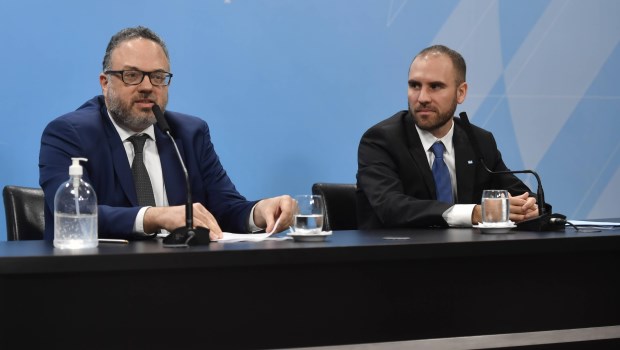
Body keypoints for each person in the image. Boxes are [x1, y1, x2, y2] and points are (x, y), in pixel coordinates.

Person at [39, 26, 294, 241]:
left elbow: (225, 209)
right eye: (132, 75)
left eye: (158, 77)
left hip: (180, 277)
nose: (148, 87)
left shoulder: (189, 134)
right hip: (100, 280)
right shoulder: (69, 134)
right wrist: (155, 216)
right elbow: (74, 213)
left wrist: (260, 212)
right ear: (105, 83)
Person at [356, 44, 539, 229]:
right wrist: (473, 212)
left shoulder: (478, 141)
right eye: (415, 85)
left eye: (435, 86)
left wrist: (529, 208)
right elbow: (391, 207)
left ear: (461, 93)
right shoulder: (380, 140)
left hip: (467, 254)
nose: (422, 97)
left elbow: (521, 194)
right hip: (399, 254)